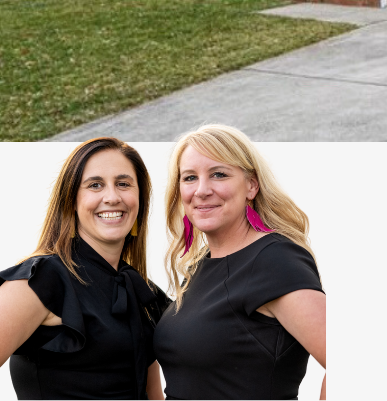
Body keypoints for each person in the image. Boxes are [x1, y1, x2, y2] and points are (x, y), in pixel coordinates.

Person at [154, 126, 325, 400]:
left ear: (251, 185)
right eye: (189, 178)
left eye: (218, 174)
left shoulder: (275, 260)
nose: (201, 190)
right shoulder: (200, 265)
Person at [0, 138, 167, 400]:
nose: (112, 197)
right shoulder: (42, 278)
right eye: (95, 185)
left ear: (140, 199)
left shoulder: (143, 291)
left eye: (123, 184)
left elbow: (153, 395)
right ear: (71, 201)